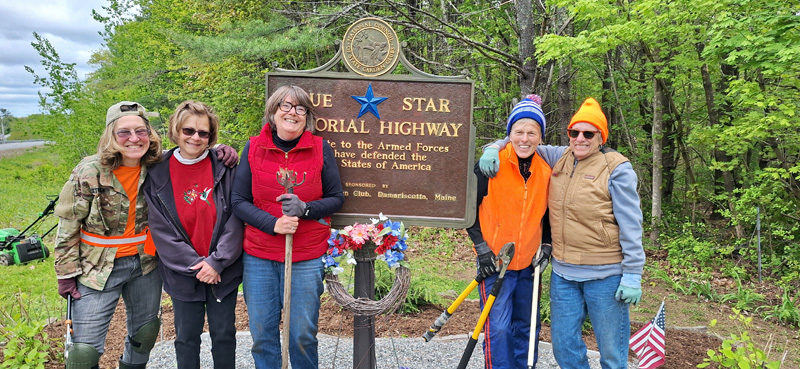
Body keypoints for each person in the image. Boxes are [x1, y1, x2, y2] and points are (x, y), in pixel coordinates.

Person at [54, 101, 239, 369]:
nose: (133, 139)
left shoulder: (151, 165)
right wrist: (65, 273)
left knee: (144, 333)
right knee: (84, 353)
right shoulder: (91, 171)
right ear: (111, 135)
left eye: (140, 132)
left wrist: (223, 149)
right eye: (124, 133)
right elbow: (68, 224)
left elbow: (197, 158)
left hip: (145, 264)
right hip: (98, 266)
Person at [479, 97, 645, 369]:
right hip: (564, 274)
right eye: (574, 132)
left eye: (588, 133)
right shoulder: (558, 157)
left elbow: (631, 224)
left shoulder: (616, 168)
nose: (580, 138)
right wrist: (491, 148)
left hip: (605, 274)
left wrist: (633, 274)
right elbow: (522, 140)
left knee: (612, 354)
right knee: (565, 349)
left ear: (601, 137)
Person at [231, 85, 344, 369]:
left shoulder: (320, 148)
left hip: (306, 256)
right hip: (259, 256)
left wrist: (306, 209)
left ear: (307, 117)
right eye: (286, 106)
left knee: (302, 335)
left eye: (300, 108)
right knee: (262, 334)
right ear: (273, 111)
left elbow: (336, 198)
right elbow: (239, 201)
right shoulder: (253, 147)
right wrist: (274, 224)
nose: (292, 113)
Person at [142, 101, 243, 369]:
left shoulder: (225, 167)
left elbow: (236, 216)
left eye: (203, 133)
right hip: (182, 272)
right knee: (186, 337)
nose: (195, 138)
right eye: (189, 130)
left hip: (223, 270)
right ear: (176, 130)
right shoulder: (157, 170)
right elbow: (160, 227)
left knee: (223, 334)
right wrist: (197, 266)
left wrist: (217, 262)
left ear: (212, 136)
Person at [466, 95, 551, 369]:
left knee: (526, 328)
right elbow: (467, 212)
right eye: (519, 132)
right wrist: (481, 249)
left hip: (529, 265)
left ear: (540, 137)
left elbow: (550, 213)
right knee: (498, 329)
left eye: (531, 132)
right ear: (509, 134)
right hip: (496, 263)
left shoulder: (548, 169)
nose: (524, 138)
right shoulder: (490, 165)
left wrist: (547, 245)